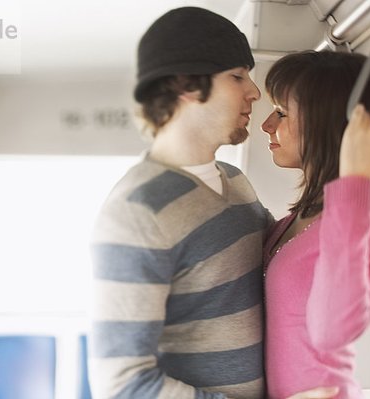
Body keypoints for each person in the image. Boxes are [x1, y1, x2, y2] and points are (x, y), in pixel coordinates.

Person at [89, 7, 339, 399]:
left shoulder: (235, 181)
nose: (254, 93)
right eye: (238, 76)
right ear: (188, 84)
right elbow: (122, 385)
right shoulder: (136, 212)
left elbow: (290, 259)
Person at [260, 50, 370, 399]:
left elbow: (333, 328)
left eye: (281, 113)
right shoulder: (302, 214)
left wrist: (357, 178)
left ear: (323, 120)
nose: (267, 124)